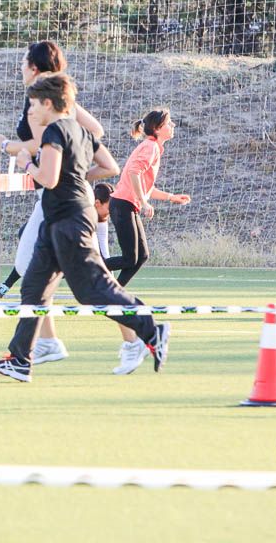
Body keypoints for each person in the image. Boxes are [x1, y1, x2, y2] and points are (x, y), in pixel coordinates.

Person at [0, 74, 170, 382]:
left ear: (47, 103)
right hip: (56, 221)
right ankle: (19, 358)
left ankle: (152, 328)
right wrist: (79, 178)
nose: (30, 111)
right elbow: (110, 167)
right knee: (33, 287)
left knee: (91, 290)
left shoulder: (55, 131)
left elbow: (48, 178)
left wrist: (26, 163)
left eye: (33, 104)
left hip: (69, 220)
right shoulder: (82, 131)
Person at [0, 41, 105, 364]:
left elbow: (49, 141)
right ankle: (43, 343)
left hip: (59, 200)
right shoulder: (46, 97)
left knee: (85, 281)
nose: (20, 67)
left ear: (35, 68)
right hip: (56, 197)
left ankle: (142, 331)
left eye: (24, 62)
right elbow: (93, 131)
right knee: (42, 272)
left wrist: (6, 145)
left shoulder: (48, 99)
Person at [102, 108, 191, 374]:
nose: (173, 126)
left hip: (127, 204)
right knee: (131, 257)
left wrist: (170, 197)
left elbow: (145, 183)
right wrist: (142, 201)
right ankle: (97, 270)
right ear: (157, 128)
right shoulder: (150, 147)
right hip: (122, 204)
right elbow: (132, 176)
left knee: (142, 256)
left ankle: (113, 289)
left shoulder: (153, 148)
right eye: (169, 123)